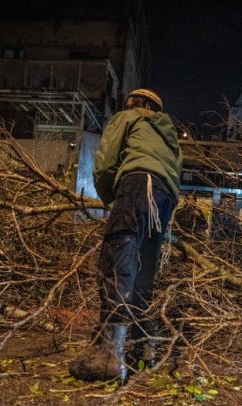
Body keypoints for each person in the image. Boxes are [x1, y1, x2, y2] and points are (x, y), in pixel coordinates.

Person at [69, 89, 183, 382]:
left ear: (136, 104)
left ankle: (109, 355)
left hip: (136, 183)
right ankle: (142, 348)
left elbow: (107, 161)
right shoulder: (170, 137)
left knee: (117, 257)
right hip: (165, 197)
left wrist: (110, 198)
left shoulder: (129, 117)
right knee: (143, 267)